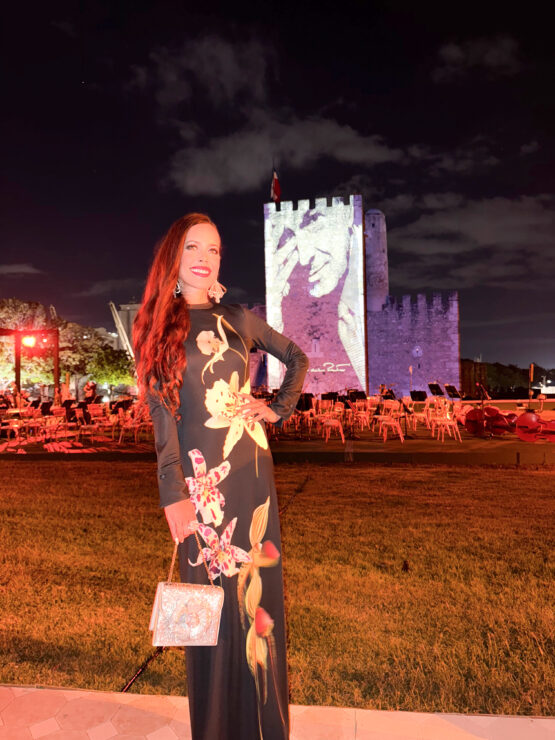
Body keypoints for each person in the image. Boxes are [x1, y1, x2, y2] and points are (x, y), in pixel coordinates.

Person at [133, 213, 308, 740]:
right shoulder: (158, 325)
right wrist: (173, 493)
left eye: (213, 249)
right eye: (193, 247)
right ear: (174, 256)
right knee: (207, 607)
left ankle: (265, 725)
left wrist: (277, 407)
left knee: (257, 599)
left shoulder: (237, 319)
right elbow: (163, 417)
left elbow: (296, 357)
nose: (204, 258)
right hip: (199, 484)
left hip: (251, 475)